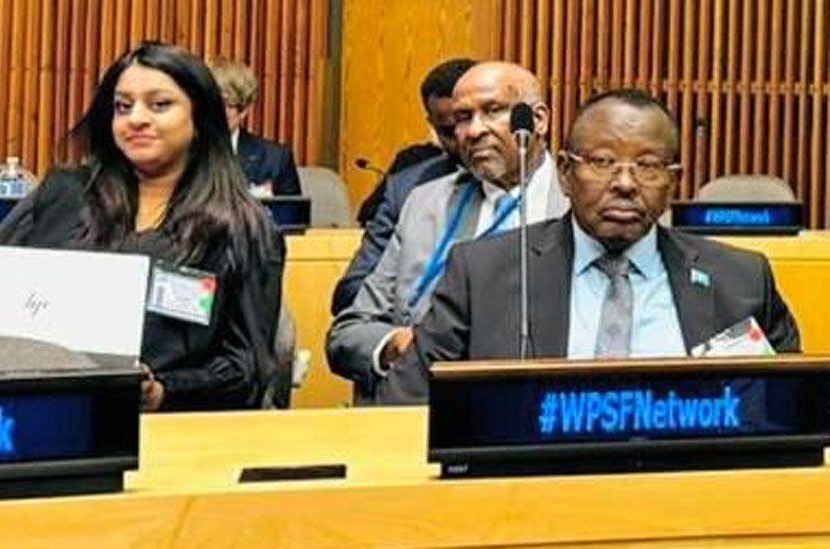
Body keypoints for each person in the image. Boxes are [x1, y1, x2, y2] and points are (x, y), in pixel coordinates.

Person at [375, 89, 800, 405]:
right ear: (564, 172)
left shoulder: (740, 281)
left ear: (675, 181)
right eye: (602, 162)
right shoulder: (484, 273)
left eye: (648, 166)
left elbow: (790, 414)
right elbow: (406, 407)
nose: (625, 183)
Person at [0, 42, 285, 412]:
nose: (136, 118)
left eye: (160, 104)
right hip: (35, 408)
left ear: (200, 118)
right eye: (122, 106)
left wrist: (163, 391)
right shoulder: (63, 193)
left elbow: (247, 370)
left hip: (165, 431)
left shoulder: (242, 227)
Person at [327, 62, 569, 402]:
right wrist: (393, 345)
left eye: (493, 111)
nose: (473, 131)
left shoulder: (577, 205)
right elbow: (349, 331)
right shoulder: (426, 204)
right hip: (425, 404)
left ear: (538, 120)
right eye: (462, 118)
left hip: (540, 405)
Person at [332, 58, 476, 315]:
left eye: (469, 120)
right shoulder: (408, 187)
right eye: (449, 131)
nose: (465, 138)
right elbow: (351, 289)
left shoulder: (542, 188)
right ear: (431, 124)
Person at [209, 57, 301, 197]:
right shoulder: (179, 153)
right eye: (209, 101)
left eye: (224, 104)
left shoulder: (275, 160)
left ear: (244, 110)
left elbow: (291, 217)